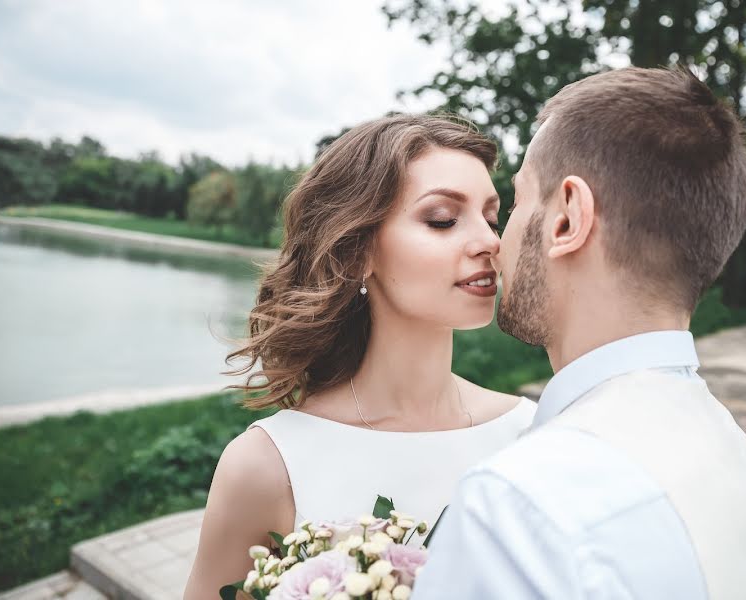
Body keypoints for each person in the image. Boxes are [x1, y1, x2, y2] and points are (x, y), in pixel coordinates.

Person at [413, 67, 746, 599]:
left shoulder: (516, 508)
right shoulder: (738, 460)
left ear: (568, 219)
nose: (497, 241)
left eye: (518, 202)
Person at [183, 114, 537, 598]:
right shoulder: (267, 465)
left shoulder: (532, 433)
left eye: (492, 218)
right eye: (443, 220)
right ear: (358, 251)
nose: (490, 243)